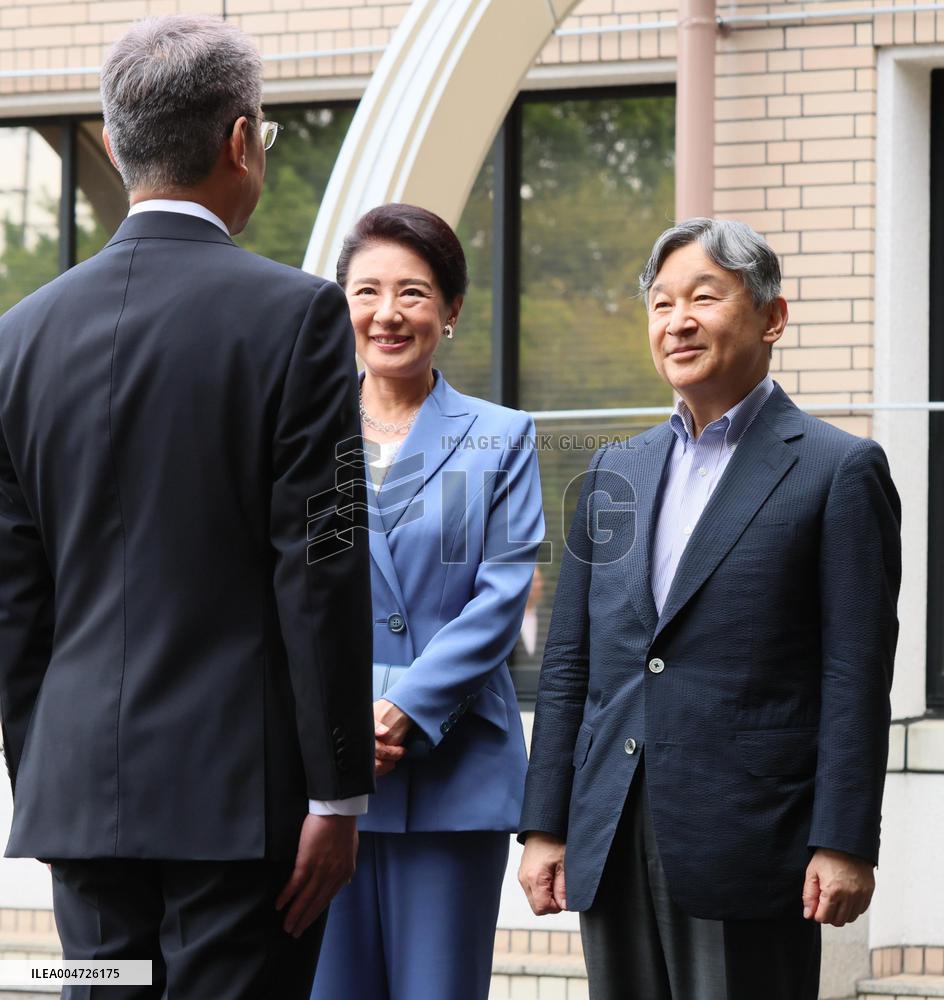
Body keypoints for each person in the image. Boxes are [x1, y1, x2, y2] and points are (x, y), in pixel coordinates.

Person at [0, 15, 374, 999]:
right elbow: (323, 555)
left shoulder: (18, 339)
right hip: (243, 805)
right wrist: (337, 789)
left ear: (118, 146)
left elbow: (13, 595)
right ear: (240, 141)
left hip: (77, 797)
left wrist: (46, 772)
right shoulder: (297, 316)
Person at [518, 218, 901, 1000]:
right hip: (613, 825)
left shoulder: (838, 470)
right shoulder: (612, 472)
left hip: (755, 836)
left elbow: (855, 672)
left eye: (703, 297)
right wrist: (546, 823)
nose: (677, 321)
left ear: (772, 317)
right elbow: (570, 664)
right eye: (660, 304)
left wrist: (845, 838)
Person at [310, 203, 545, 1000]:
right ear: (340, 304)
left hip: (454, 772)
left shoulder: (502, 436)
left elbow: (500, 594)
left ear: (451, 311)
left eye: (413, 292)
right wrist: (345, 713)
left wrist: (403, 706)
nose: (388, 313)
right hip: (322, 772)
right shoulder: (299, 435)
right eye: (366, 290)